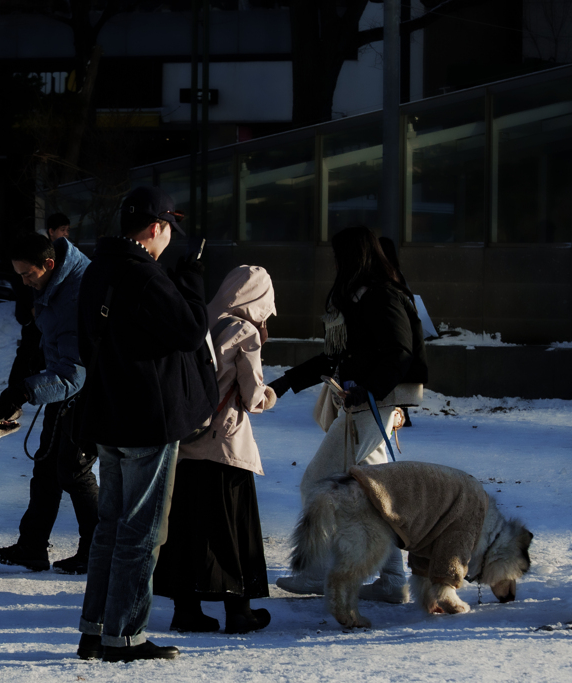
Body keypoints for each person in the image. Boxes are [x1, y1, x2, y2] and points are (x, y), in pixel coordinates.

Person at [75, 185, 215, 663]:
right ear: (156, 227)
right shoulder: (145, 275)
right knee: (141, 533)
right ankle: (125, 637)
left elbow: (83, 344)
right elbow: (192, 330)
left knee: (110, 529)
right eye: (168, 230)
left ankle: (94, 630)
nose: (168, 240)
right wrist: (192, 276)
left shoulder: (96, 269)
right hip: (147, 421)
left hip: (108, 417)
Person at [272, 226, 428, 603]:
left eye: (339, 256)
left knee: (323, 483)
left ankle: (323, 572)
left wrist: (368, 388)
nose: (336, 264)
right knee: (372, 492)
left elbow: (399, 353)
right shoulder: (372, 295)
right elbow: (342, 356)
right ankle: (389, 579)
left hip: (373, 405)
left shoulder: (377, 297)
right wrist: (285, 382)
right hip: (371, 403)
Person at [151, 265, 277, 635]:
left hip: (184, 442)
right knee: (230, 529)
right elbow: (253, 397)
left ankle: (186, 611)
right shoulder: (244, 330)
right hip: (224, 444)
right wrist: (270, 396)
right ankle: (240, 612)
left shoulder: (196, 321)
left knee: (186, 527)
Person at [0, 232, 97, 575]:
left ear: (49, 264)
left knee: (74, 470)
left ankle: (96, 549)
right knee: (47, 466)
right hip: (60, 388)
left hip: (88, 393)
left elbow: (74, 373)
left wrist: (24, 391)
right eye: (18, 274)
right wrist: (20, 384)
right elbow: (40, 345)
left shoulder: (76, 295)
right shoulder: (51, 285)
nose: (23, 282)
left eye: (27, 274)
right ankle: (32, 546)